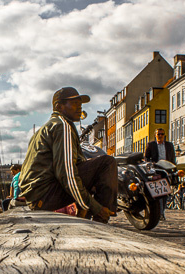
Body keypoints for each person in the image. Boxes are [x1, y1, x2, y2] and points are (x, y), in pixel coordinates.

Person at [18, 87, 117, 222]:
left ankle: (89, 218)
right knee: (107, 163)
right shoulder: (62, 126)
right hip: (45, 195)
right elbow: (66, 173)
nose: (79, 108)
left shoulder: (46, 128)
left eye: (80, 105)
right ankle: (102, 219)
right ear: (59, 106)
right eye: (75, 104)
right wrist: (96, 207)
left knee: (90, 175)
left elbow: (76, 166)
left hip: (38, 196)